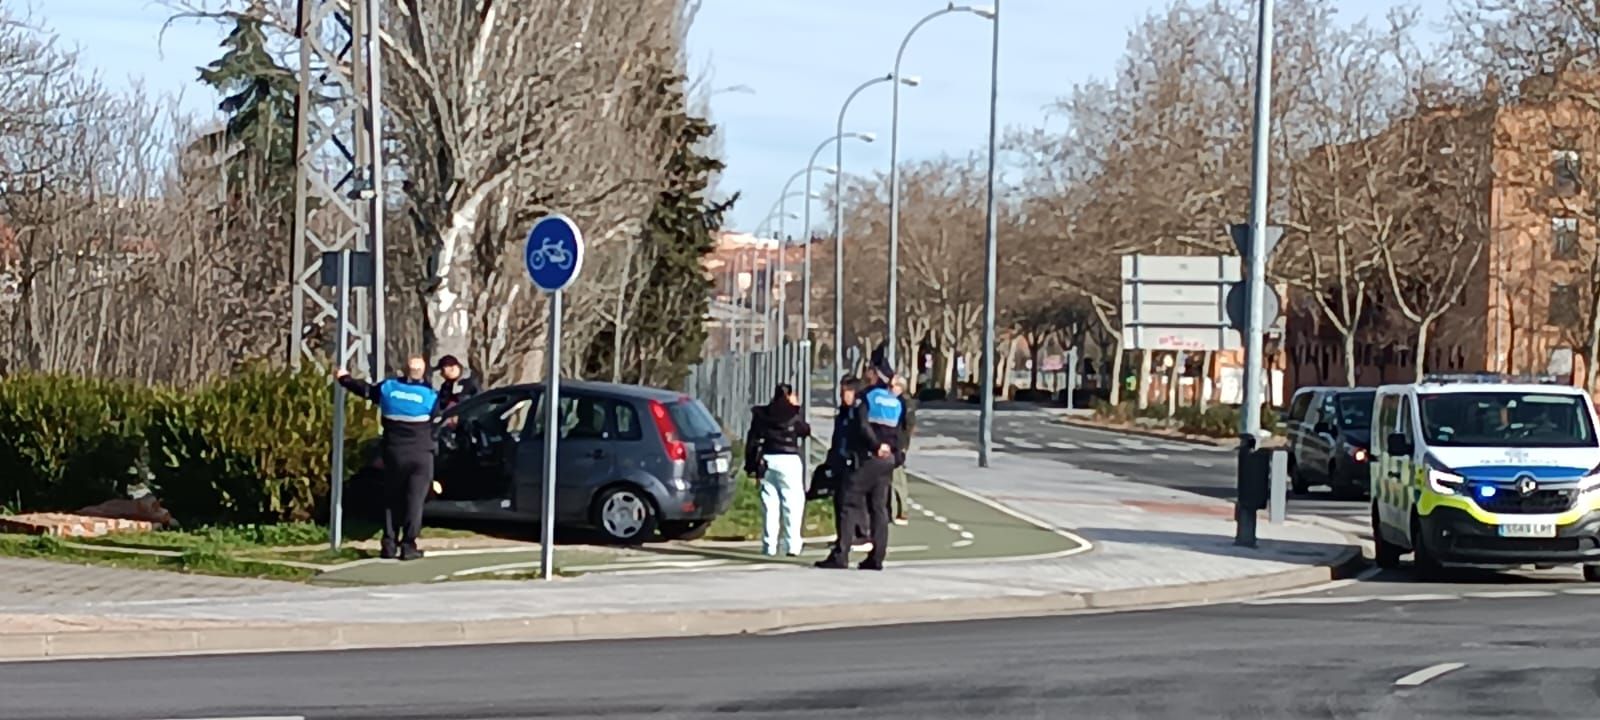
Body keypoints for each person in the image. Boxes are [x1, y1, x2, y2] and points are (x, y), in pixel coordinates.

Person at [336, 355, 439, 561]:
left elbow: (364, 390)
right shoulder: (429, 396)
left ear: (403, 369)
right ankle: (408, 546)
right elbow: (437, 420)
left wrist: (344, 378)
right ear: (423, 372)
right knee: (414, 502)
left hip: (394, 453)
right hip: (420, 455)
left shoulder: (389, 389)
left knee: (392, 499)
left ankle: (389, 544)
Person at [816, 361, 902, 571]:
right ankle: (877, 556)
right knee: (879, 507)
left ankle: (841, 554)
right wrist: (894, 453)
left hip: (868, 458)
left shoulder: (866, 398)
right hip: (887, 460)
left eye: (869, 371)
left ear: (874, 375)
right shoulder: (894, 402)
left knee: (847, 501)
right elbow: (900, 431)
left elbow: (862, 426)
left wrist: (874, 445)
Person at [744, 384, 812, 557]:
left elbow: (752, 440)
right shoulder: (793, 414)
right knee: (792, 503)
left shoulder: (762, 414)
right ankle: (793, 545)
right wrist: (796, 407)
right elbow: (805, 430)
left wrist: (752, 466)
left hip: (768, 460)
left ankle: (769, 546)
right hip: (789, 459)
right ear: (789, 396)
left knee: (770, 504)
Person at [890, 375, 917, 525]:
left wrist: (904, 445)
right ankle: (897, 510)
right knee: (894, 478)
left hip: (898, 444)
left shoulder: (904, 403)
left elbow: (909, 426)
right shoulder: (901, 402)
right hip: (896, 443)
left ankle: (902, 510)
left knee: (897, 479)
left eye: (893, 386)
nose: (891, 388)